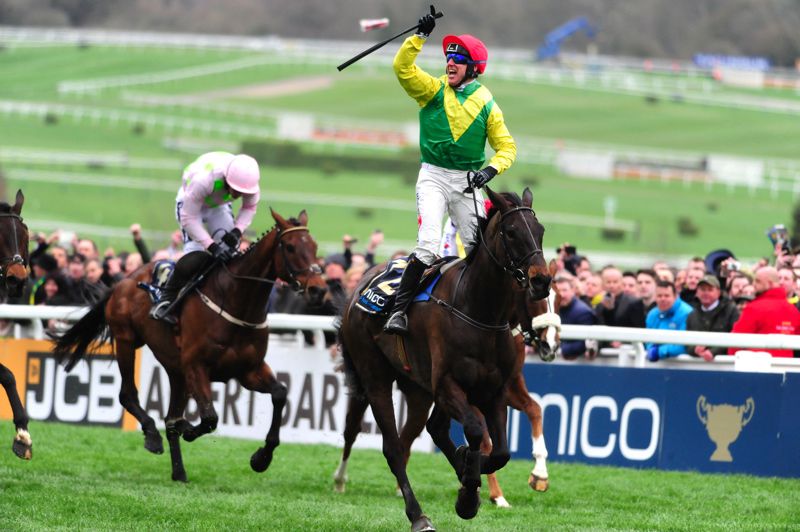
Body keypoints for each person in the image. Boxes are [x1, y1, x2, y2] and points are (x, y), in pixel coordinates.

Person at [383, 11, 516, 335]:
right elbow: (402, 68)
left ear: (474, 68)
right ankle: (398, 312)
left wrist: (489, 172)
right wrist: (418, 38)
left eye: (457, 61)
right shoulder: (431, 90)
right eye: (448, 60)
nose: (449, 65)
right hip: (433, 178)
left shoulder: (487, 103)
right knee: (428, 245)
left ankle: (501, 318)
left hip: (468, 183)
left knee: (480, 254)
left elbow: (507, 148)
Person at [150, 151, 261, 324]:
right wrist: (211, 246)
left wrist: (237, 231)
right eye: (236, 190)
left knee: (230, 252)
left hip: (218, 206)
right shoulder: (204, 180)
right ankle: (167, 298)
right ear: (227, 179)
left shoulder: (249, 185)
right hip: (190, 206)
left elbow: (249, 208)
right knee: (196, 255)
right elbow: (189, 218)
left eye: (242, 192)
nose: (239, 195)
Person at [728, 266, 800, 358]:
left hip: (756, 365)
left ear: (769, 284)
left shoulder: (754, 308)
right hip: (786, 366)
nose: (754, 284)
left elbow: (736, 341)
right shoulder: (793, 311)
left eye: (758, 281)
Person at [686, 275, 740, 361]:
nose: (706, 293)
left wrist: (714, 352)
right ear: (697, 292)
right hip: (698, 364)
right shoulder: (692, 315)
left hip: (724, 364)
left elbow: (736, 338)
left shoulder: (731, 310)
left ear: (718, 292)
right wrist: (695, 350)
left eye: (710, 290)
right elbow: (687, 342)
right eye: (703, 289)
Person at [645, 280, 693, 361]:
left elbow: (684, 345)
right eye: (659, 296)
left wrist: (659, 352)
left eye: (667, 296)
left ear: (675, 296)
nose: (663, 299)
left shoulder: (687, 313)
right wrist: (651, 349)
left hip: (682, 363)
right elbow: (647, 340)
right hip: (656, 362)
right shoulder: (652, 314)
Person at [554, 272, 597, 360]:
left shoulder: (583, 312)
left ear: (573, 290)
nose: (561, 294)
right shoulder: (549, 309)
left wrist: (560, 349)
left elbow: (586, 343)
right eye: (558, 291)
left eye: (564, 290)